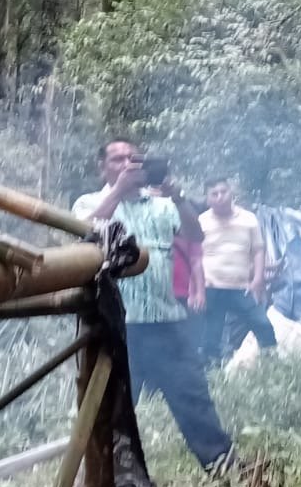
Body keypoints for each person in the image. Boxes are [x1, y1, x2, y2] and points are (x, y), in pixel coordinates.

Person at [74, 140, 234, 470]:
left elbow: (195, 235)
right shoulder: (90, 202)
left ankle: (226, 470)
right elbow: (82, 236)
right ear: (102, 167)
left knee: (194, 398)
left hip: (166, 321)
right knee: (113, 410)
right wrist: (117, 192)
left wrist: (177, 197)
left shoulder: (161, 205)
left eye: (134, 159)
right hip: (116, 328)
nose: (127, 165)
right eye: (118, 159)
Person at [199, 177, 277, 363]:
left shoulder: (248, 218)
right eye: (214, 194)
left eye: (223, 192)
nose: (220, 197)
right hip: (212, 286)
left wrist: (258, 278)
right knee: (211, 336)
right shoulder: (201, 221)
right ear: (208, 199)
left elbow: (258, 249)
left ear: (231, 192)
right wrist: (197, 287)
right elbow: (194, 255)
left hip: (242, 286)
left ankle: (273, 365)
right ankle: (213, 376)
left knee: (263, 324)